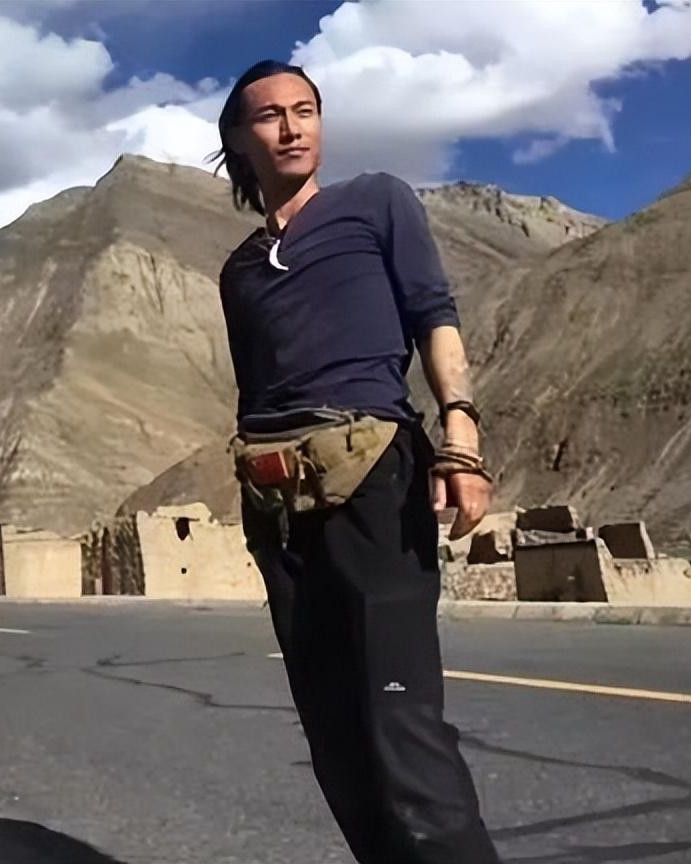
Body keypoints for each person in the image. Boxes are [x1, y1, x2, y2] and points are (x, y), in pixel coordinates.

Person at [208, 59, 502, 863]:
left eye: (306, 110)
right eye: (270, 115)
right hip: (277, 504)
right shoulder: (239, 271)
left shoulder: (375, 201)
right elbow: (256, 393)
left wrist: (461, 438)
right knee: (334, 733)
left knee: (399, 721)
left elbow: (433, 316)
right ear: (239, 139)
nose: (292, 128)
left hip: (374, 475)